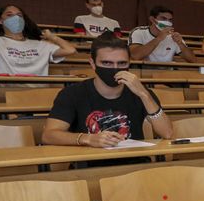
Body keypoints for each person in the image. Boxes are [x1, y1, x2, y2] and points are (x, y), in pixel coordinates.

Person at [43, 33, 172, 147]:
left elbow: (167, 133)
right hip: (89, 167)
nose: (115, 68)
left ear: (129, 63)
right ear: (92, 64)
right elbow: (49, 135)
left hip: (135, 165)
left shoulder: (140, 92)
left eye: (122, 63)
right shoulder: (72, 94)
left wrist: (144, 94)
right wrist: (88, 139)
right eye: (107, 63)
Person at [0, 4, 78, 75]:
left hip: (38, 92)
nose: (16, 18)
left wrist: (52, 37)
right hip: (9, 92)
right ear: (0, 21)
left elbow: (70, 50)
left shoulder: (41, 44)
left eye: (19, 15)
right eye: (9, 15)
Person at [129, 5, 197, 63]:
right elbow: (135, 56)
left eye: (170, 20)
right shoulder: (138, 32)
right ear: (152, 19)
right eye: (163, 19)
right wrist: (159, 39)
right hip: (144, 70)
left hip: (167, 72)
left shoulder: (173, 36)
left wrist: (180, 44)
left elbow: (193, 60)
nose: (167, 22)